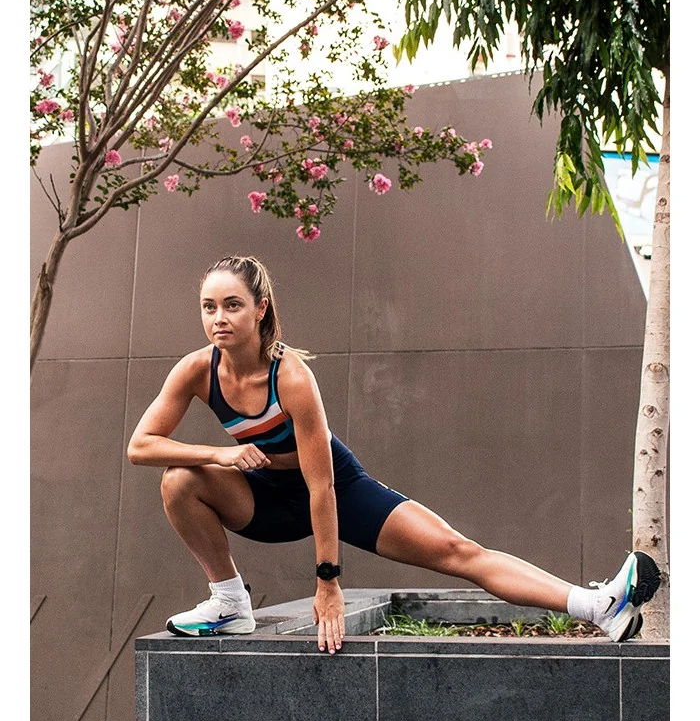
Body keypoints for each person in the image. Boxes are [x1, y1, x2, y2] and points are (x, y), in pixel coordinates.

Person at [127, 255, 661, 654]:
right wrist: (221, 456)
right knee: (179, 479)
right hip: (261, 499)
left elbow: (322, 487)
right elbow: (141, 446)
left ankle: (600, 608)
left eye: (232, 304)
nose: (218, 317)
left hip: (336, 489)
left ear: (261, 309)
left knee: (458, 550)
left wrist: (329, 582)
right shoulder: (196, 369)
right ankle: (229, 603)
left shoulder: (291, 377)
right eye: (208, 306)